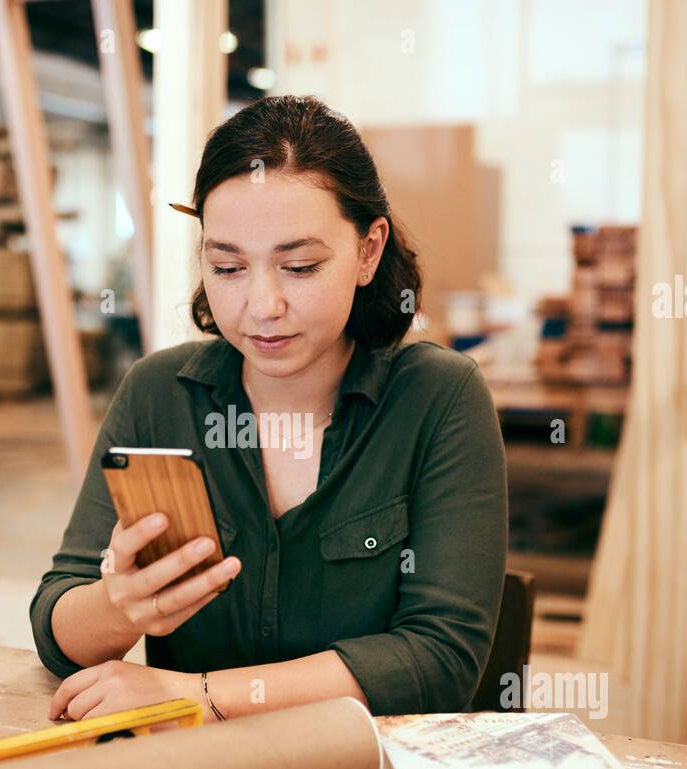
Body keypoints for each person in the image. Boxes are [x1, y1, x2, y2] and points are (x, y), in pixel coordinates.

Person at [32, 94, 507, 723]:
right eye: (227, 266)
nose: (262, 304)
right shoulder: (159, 393)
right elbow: (56, 627)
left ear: (368, 251)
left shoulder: (438, 398)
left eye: (300, 266)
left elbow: (439, 659)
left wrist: (198, 695)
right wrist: (118, 608)